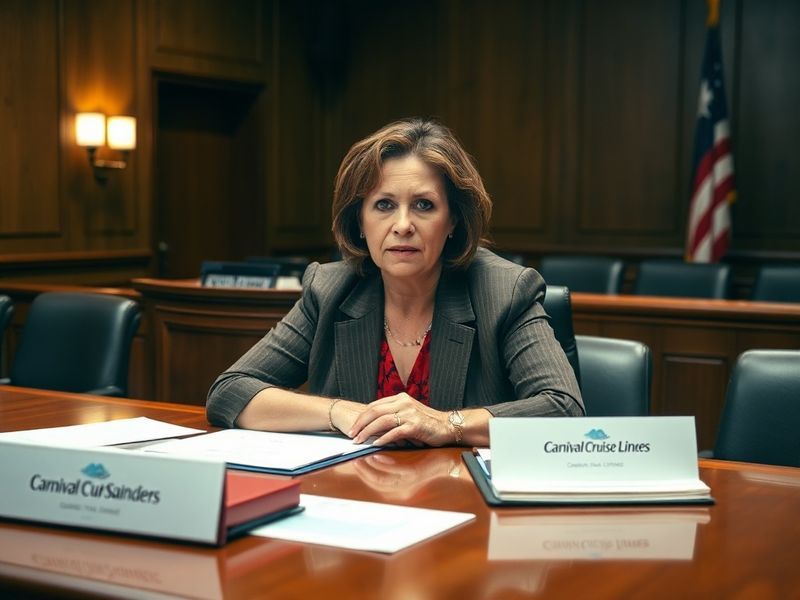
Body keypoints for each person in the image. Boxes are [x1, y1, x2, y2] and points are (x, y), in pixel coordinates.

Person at [206, 117, 583, 447]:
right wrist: (338, 411)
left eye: (424, 205)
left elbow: (563, 410)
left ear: (452, 222)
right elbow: (229, 392)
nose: (403, 225)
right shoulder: (331, 289)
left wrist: (447, 423)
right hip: (360, 502)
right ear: (360, 220)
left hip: (467, 506)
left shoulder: (504, 291)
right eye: (384, 205)